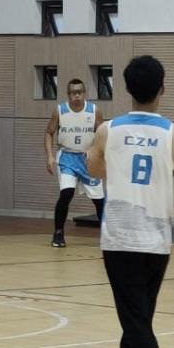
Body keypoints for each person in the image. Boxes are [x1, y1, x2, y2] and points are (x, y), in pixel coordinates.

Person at [86, 55, 174, 348]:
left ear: (126, 89)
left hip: (120, 236)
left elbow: (93, 169)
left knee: (135, 314)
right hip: (157, 238)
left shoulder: (108, 130)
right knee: (140, 312)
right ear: (162, 89)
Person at [44, 78, 105, 248]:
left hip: (88, 159)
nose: (76, 95)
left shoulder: (94, 111)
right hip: (67, 158)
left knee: (99, 200)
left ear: (84, 93)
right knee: (66, 193)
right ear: (68, 94)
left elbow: (102, 135)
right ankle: (58, 233)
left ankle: (108, 236)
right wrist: (50, 156)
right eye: (73, 92)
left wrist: (98, 154)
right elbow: (49, 133)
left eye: (79, 92)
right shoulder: (60, 111)